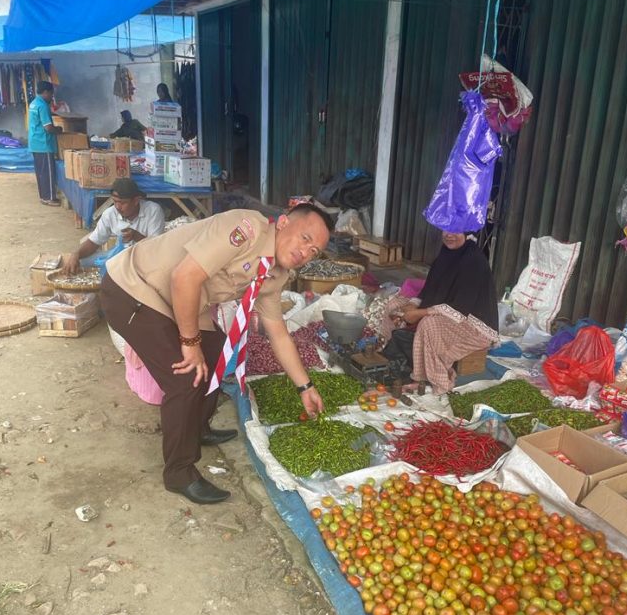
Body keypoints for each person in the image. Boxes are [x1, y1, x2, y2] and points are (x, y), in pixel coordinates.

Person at [100, 204, 333, 505]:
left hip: (180, 301)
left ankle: (197, 428)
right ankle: (179, 472)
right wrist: (189, 342)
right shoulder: (245, 227)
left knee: (218, 350)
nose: (306, 252)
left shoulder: (275, 275)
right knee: (185, 378)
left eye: (314, 251)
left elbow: (278, 332)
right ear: (284, 222)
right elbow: (185, 277)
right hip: (134, 288)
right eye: (305, 238)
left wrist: (306, 387)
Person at [381, 231, 499, 393]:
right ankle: (390, 356)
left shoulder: (474, 261)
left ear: (466, 232)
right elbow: (430, 291)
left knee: (430, 323)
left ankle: (426, 378)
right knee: (394, 304)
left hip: (474, 324)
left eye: (455, 230)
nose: (449, 235)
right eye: (446, 230)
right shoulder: (445, 255)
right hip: (447, 310)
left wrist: (418, 313)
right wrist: (412, 305)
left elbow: (459, 307)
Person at [64, 178, 165, 274]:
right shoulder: (110, 214)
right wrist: (76, 255)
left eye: (122, 203)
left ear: (136, 200)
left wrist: (136, 236)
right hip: (119, 258)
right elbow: (94, 241)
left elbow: (155, 248)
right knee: (80, 262)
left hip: (145, 260)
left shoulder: (153, 211)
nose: (117, 207)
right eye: (115, 201)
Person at [28, 81, 62, 207]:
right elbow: (48, 127)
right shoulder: (42, 105)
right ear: (46, 92)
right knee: (48, 172)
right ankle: (50, 198)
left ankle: (43, 196)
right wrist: (58, 130)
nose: (52, 97)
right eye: (51, 94)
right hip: (44, 143)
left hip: (35, 143)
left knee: (41, 172)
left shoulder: (33, 103)